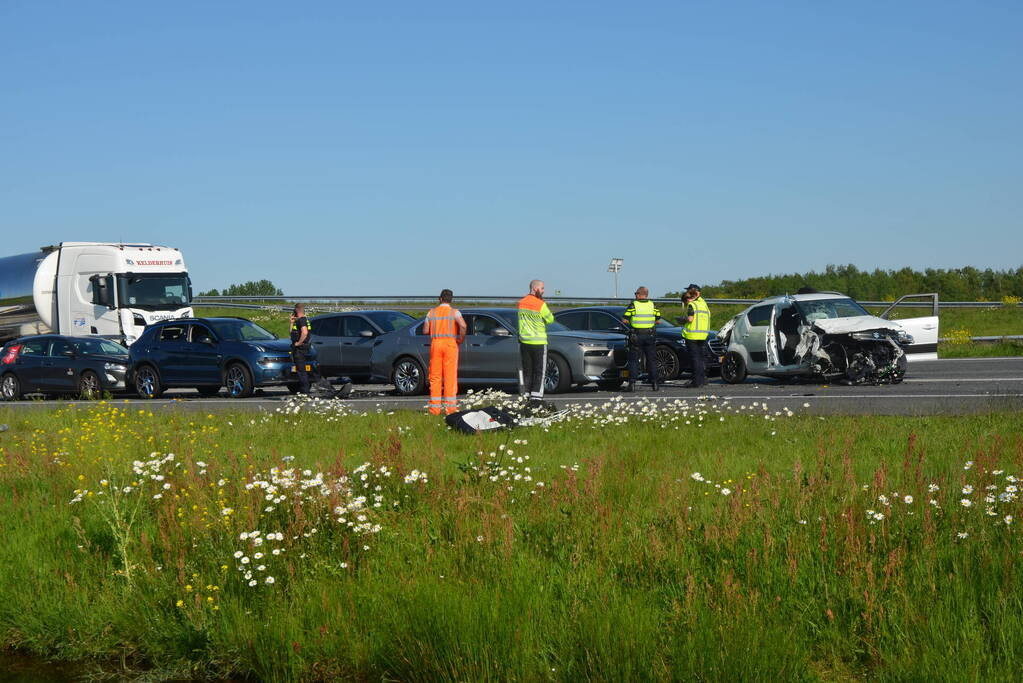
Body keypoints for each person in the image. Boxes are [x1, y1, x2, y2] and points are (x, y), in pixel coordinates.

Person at [422, 289, 466, 416]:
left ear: (440, 299)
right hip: (450, 344)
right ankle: (450, 409)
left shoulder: (431, 312)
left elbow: (425, 330)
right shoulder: (455, 312)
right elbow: (463, 326)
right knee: (450, 377)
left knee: (435, 377)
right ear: (451, 300)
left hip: (436, 344)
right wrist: (460, 339)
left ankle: (434, 410)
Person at [517, 279, 555, 405]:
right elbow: (550, 319)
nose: (543, 291)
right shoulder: (540, 304)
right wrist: (543, 304)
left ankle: (526, 396)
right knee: (539, 371)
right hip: (538, 342)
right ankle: (537, 398)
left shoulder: (521, 303)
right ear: (535, 288)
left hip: (524, 341)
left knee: (528, 370)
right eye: (542, 288)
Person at [622, 286, 661, 391]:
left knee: (634, 360)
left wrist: (632, 322)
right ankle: (655, 384)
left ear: (639, 294)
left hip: (637, 335)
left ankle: (632, 384)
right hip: (650, 335)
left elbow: (625, 319)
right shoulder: (653, 305)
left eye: (635, 294)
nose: (635, 295)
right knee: (652, 360)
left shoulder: (633, 305)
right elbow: (658, 320)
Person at [681, 284, 711, 387]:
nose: (688, 293)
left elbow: (690, 319)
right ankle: (703, 379)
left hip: (692, 335)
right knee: (702, 358)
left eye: (689, 291)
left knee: (695, 359)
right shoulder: (704, 304)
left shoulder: (692, 305)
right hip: (703, 335)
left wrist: (682, 320)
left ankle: (696, 381)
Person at [289, 303, 312, 394]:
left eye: (294, 310)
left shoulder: (301, 320)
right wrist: (291, 323)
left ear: (297, 310)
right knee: (302, 371)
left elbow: (305, 332)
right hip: (303, 348)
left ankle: (304, 393)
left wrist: (299, 343)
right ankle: (304, 391)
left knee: (301, 372)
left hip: (300, 349)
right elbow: (291, 333)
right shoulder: (303, 320)